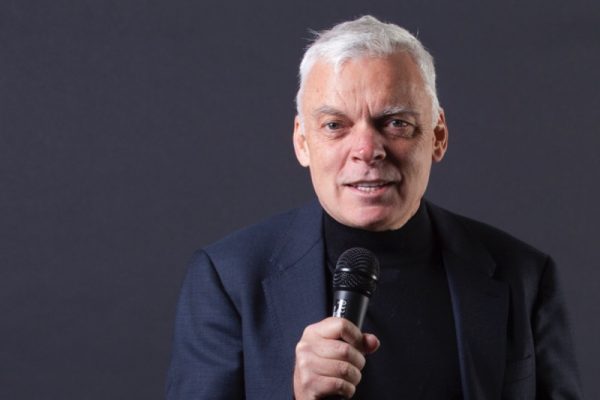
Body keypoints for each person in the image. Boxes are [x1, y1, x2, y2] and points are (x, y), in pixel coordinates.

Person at [166, 15, 582, 399]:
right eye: (335, 125)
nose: (367, 150)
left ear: (437, 136)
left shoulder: (524, 276)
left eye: (396, 122)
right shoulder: (228, 279)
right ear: (302, 142)